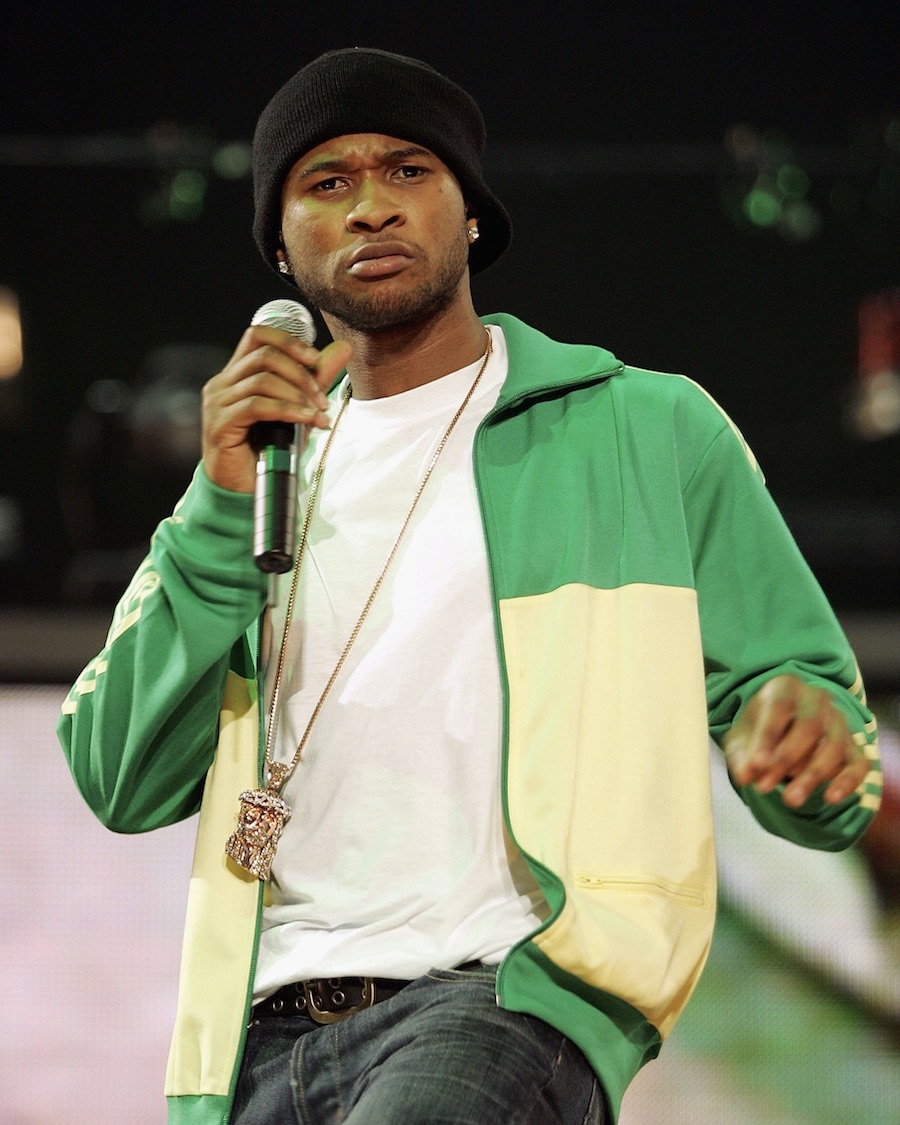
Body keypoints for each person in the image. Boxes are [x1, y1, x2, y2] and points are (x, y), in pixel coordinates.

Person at [59, 47, 883, 1125]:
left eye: (409, 172)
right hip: (253, 1042)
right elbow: (117, 776)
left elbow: (811, 711)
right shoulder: (252, 479)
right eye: (326, 183)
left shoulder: (646, 427)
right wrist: (214, 511)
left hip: (499, 997)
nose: (369, 209)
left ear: (473, 214)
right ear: (278, 244)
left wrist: (804, 734)